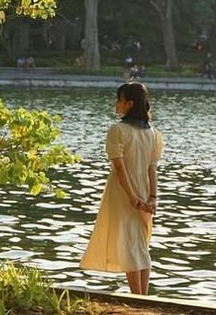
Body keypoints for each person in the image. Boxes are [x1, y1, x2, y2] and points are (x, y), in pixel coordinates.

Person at [80, 82, 164, 295]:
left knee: (132, 247)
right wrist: (152, 197)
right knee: (139, 245)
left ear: (130, 103)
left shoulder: (118, 130)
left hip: (124, 193)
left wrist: (133, 197)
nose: (116, 104)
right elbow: (151, 169)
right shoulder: (153, 133)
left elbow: (120, 168)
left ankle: (139, 297)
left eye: (119, 100)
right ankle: (142, 296)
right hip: (143, 191)